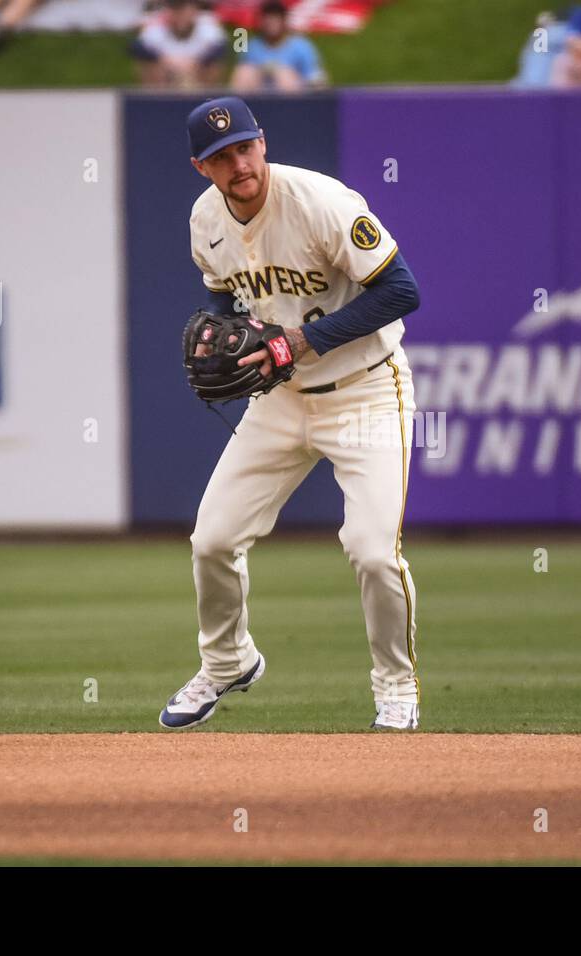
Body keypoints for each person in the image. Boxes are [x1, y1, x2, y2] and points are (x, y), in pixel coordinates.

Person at [161, 97, 422, 732]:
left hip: (364, 390)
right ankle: (227, 661)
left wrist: (299, 342)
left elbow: (402, 291)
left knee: (372, 551)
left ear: (262, 143)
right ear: (202, 167)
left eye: (245, 148)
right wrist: (224, 337)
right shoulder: (206, 221)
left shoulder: (322, 203)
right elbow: (223, 301)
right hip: (277, 397)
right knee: (213, 540)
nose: (239, 163)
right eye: (222, 157)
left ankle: (396, 686)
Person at [130, 0, 228, 90]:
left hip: (197, 75)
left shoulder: (207, 22)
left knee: (212, 66)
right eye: (174, 8)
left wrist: (196, 62)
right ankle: (156, 100)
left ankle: (206, 100)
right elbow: (137, 47)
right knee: (151, 66)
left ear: (194, 9)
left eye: (183, 8)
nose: (179, 14)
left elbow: (220, 49)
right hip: (165, 75)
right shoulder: (156, 23)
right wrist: (165, 60)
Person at [231, 0, 326, 91]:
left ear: (284, 20)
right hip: (258, 96)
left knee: (284, 75)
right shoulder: (252, 47)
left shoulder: (301, 46)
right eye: (267, 17)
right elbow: (241, 78)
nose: (272, 22)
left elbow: (316, 79)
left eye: (276, 17)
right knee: (245, 72)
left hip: (293, 100)